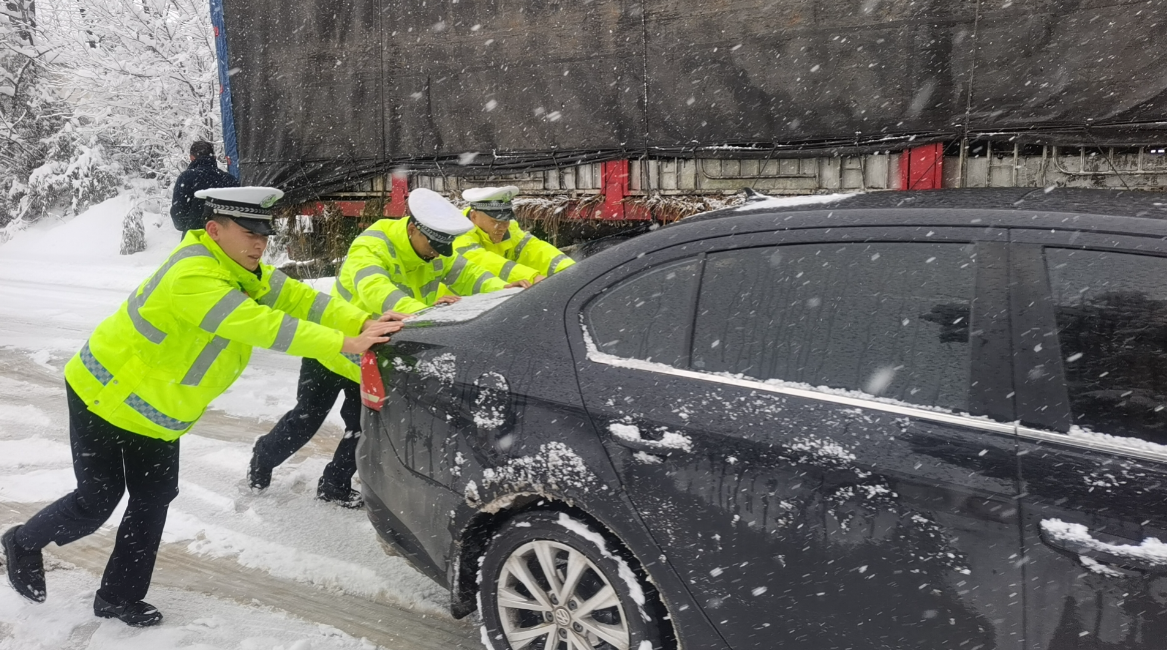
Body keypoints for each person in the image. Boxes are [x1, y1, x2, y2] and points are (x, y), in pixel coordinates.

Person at [1, 187, 400, 627]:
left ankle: (118, 598)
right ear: (214, 230)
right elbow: (260, 325)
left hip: (155, 414)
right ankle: (22, 542)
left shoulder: (245, 272)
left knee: (153, 499)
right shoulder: (193, 276)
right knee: (97, 501)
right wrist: (346, 342)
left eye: (264, 234)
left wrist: (362, 321)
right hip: (104, 396)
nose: (259, 243)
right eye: (248, 232)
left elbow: (302, 300)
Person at [248, 188, 528, 503]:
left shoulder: (434, 250)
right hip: (334, 346)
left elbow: (469, 275)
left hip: (370, 353)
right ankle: (262, 458)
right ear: (412, 228)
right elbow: (375, 290)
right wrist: (424, 315)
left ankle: (334, 486)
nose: (437, 253)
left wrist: (502, 289)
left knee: (364, 426)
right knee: (306, 420)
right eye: (432, 246)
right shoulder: (373, 245)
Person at [453, 185, 575, 284]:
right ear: (474, 216)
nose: (502, 227)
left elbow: (534, 250)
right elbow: (484, 263)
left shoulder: (510, 229)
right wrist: (532, 277)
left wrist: (570, 270)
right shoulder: (458, 234)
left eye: (506, 220)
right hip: (453, 306)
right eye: (496, 221)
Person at [170, 141, 238, 235]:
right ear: (214, 157)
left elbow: (179, 220)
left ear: (191, 158)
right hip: (226, 243)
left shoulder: (186, 178)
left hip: (195, 242)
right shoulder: (230, 180)